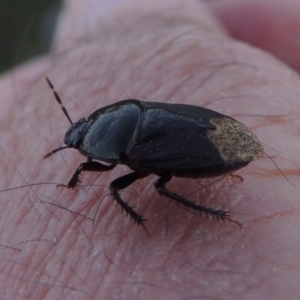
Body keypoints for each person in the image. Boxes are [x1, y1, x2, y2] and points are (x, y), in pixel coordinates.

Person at [0, 0, 299, 298]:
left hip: (216, 151)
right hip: (204, 132)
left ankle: (202, 216)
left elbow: (96, 168)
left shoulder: (124, 151)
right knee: (153, 183)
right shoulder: (128, 117)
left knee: (150, 188)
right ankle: (201, 213)